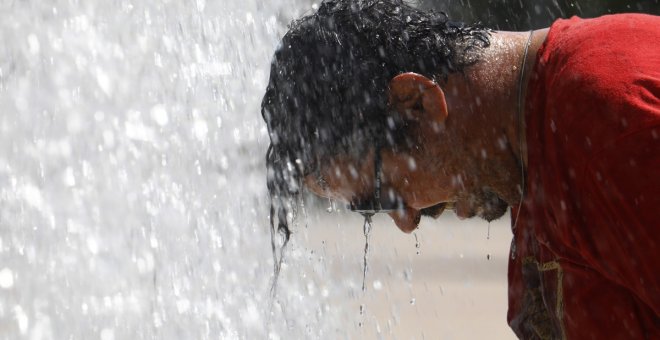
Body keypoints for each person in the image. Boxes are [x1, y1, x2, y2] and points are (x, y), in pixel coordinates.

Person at [260, 0, 660, 338]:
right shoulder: (534, 155)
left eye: (383, 194)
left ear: (418, 103)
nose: (406, 221)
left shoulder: (608, 125)